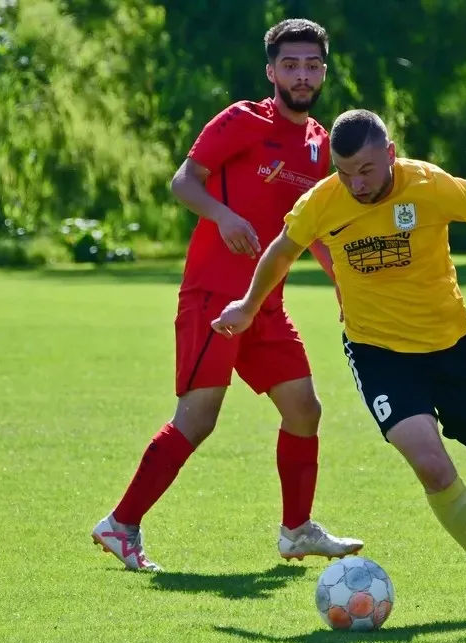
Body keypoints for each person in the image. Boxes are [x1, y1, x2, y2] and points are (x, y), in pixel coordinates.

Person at [213, 109, 466, 624]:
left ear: (390, 154)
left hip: (452, 347)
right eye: (344, 171)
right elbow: (282, 252)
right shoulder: (323, 202)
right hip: (379, 355)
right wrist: (246, 305)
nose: (355, 183)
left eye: (367, 171)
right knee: (433, 466)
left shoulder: (429, 185)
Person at [91, 18, 362, 572]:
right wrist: (222, 215)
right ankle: (120, 525)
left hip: (267, 305)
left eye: (312, 65)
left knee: (305, 409)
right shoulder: (242, 120)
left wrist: (346, 287)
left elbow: (310, 231)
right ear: (271, 71)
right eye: (291, 64)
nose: (302, 75)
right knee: (197, 419)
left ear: (324, 71)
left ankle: (296, 530)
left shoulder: (320, 145)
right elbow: (183, 181)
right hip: (214, 298)